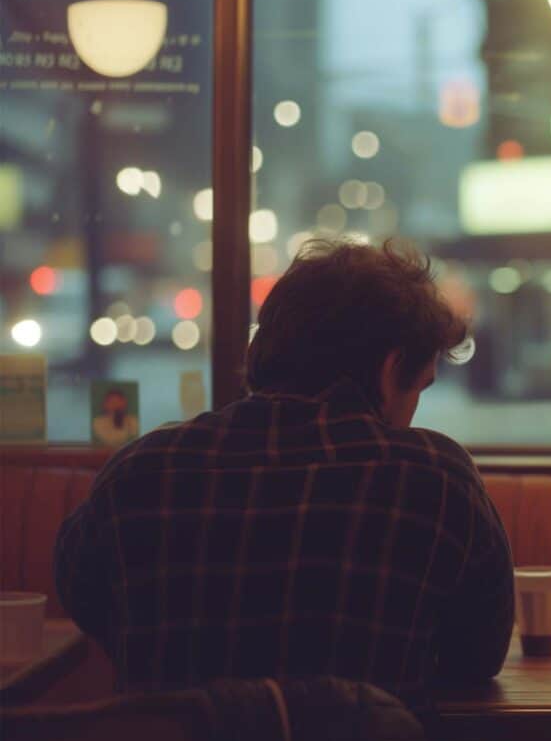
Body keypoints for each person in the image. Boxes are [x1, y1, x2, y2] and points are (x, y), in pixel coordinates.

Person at [55, 239, 514, 716]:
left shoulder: (138, 475)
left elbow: (86, 600)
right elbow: (476, 659)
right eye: (419, 387)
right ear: (390, 369)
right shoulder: (436, 480)